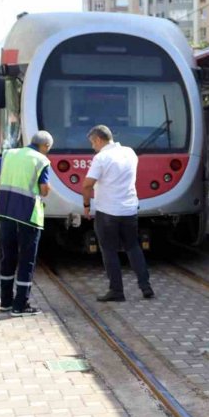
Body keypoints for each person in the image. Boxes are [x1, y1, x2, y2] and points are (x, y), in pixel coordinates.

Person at [0, 131, 53, 316]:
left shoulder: (9, 154)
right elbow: (44, 190)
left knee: (8, 257)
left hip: (5, 213)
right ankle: (20, 306)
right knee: (26, 260)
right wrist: (47, 189)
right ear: (45, 146)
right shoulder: (41, 161)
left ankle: (5, 302)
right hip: (28, 216)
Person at [81, 125, 154, 303]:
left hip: (107, 211)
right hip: (129, 209)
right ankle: (146, 287)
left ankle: (117, 291)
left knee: (109, 251)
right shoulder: (129, 153)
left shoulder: (101, 158)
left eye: (92, 143)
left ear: (98, 140)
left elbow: (87, 185)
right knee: (133, 246)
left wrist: (86, 205)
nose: (93, 147)